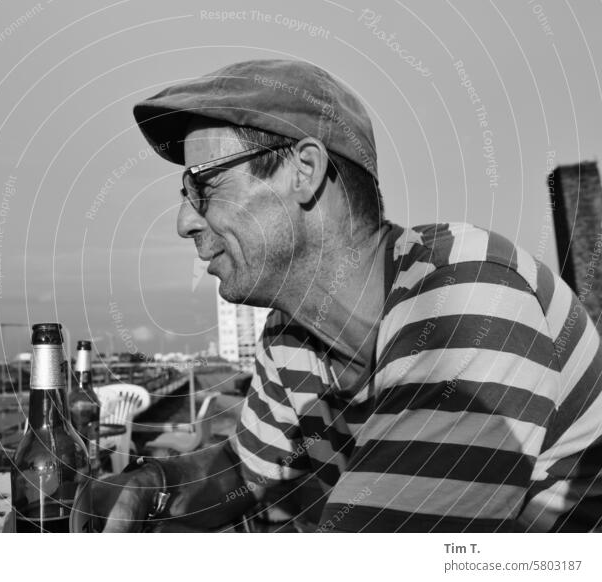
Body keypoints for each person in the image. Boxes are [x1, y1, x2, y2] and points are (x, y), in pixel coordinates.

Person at [92, 59, 602, 532]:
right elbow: (246, 467)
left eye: (204, 185)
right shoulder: (293, 333)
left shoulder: (467, 294)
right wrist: (152, 486)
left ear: (304, 171)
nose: (185, 221)